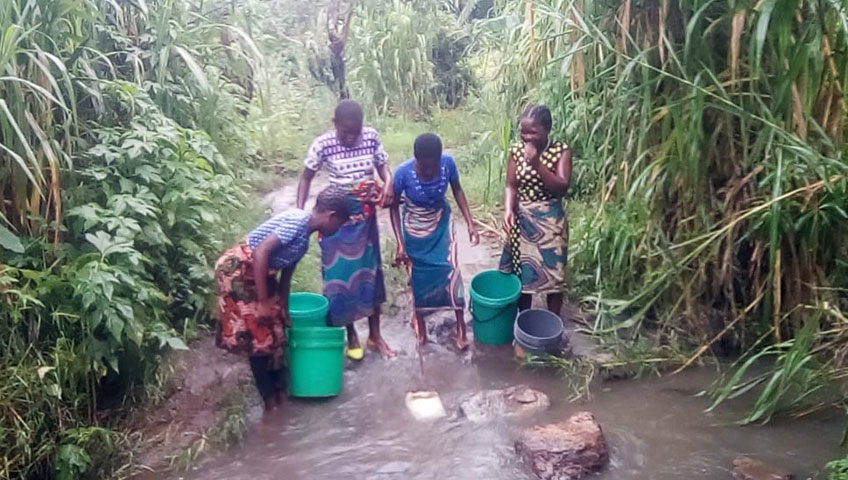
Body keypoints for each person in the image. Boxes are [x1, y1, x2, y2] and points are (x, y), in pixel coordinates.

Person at [214, 187, 352, 411]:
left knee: (277, 330)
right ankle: (270, 403)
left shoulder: (303, 241)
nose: (337, 230)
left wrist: (283, 309)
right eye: (339, 225)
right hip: (238, 270)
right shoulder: (297, 222)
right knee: (258, 335)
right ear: (331, 216)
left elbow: (285, 276)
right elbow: (260, 253)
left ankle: (280, 393)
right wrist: (261, 301)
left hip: (260, 272)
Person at [296, 99, 396, 359]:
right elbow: (305, 178)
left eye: (356, 131)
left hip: (365, 219)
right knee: (341, 280)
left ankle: (375, 336)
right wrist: (299, 212)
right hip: (336, 222)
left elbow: (382, 165)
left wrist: (388, 182)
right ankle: (351, 333)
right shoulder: (322, 144)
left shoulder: (371, 136)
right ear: (335, 125)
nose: (352, 137)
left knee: (370, 276)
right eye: (346, 132)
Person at [389, 133, 480, 351]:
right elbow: (393, 207)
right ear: (416, 160)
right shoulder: (402, 173)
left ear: (440, 159)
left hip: (441, 222)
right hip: (414, 228)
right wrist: (400, 243)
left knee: (451, 269)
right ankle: (420, 325)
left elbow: (457, 189)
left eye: (433, 167)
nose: (429, 172)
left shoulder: (448, 163)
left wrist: (470, 222)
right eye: (424, 168)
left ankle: (460, 328)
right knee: (418, 276)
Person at [499, 104, 572, 315]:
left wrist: (537, 164)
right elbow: (511, 185)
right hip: (523, 220)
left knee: (554, 276)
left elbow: (561, 187)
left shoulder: (561, 151)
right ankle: (525, 320)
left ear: (547, 129)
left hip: (551, 222)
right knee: (523, 273)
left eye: (533, 132)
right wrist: (508, 210)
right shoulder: (516, 151)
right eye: (523, 132)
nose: (527, 137)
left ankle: (553, 324)